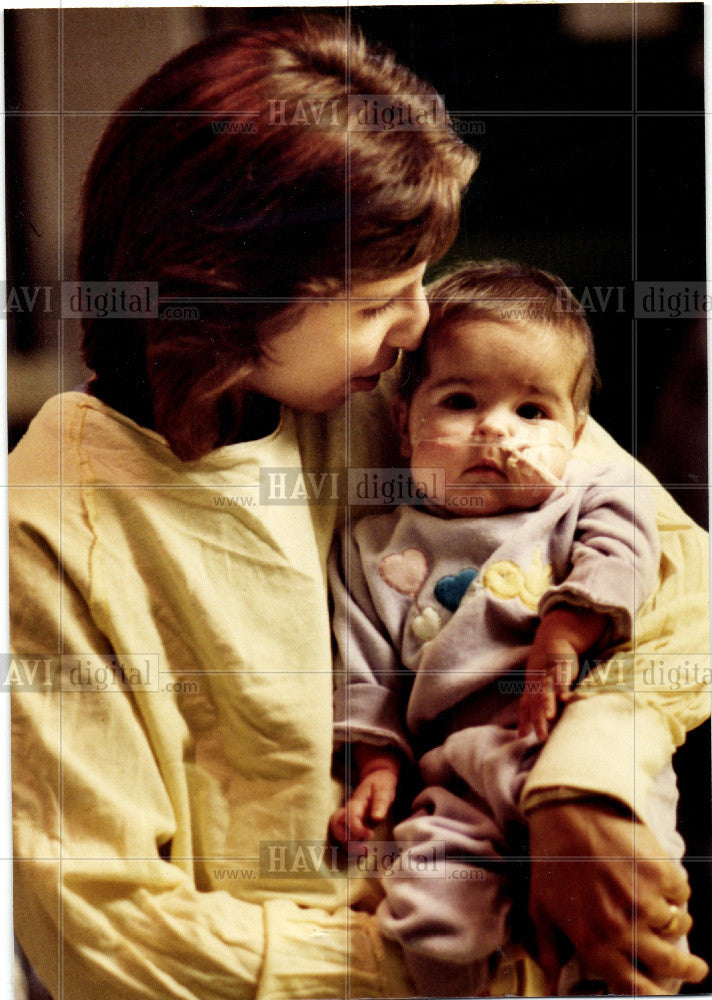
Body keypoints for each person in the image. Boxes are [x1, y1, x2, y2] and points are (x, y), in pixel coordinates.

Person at [9, 16, 709, 1000]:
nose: (420, 325)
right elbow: (106, 931)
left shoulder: (398, 391)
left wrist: (580, 785)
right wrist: (463, 960)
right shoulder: (45, 536)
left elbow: (681, 574)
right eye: (381, 296)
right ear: (234, 297)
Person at [328, 261, 687, 995]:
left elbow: (627, 554)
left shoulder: (587, 497)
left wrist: (567, 626)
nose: (497, 430)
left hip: (571, 745)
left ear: (577, 434)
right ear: (404, 422)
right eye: (460, 401)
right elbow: (362, 661)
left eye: (533, 412)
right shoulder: (375, 548)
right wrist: (376, 762)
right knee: (427, 913)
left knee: (627, 891)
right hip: (454, 772)